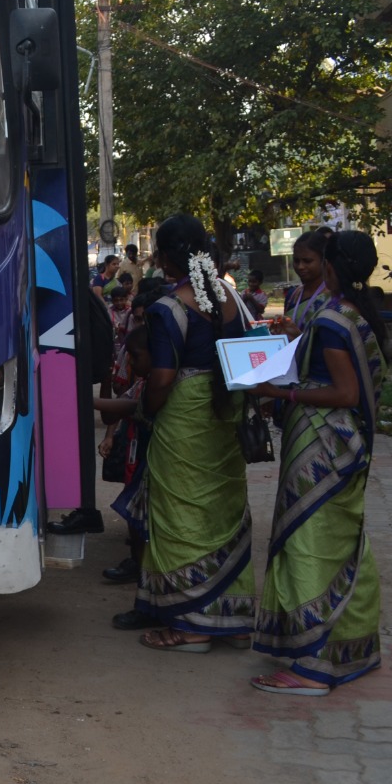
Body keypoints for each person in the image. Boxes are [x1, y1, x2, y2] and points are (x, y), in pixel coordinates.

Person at [250, 231, 387, 695]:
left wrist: (281, 393)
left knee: (310, 543)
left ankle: (312, 667)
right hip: (345, 445)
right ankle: (351, 649)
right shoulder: (356, 313)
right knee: (344, 544)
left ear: (330, 265)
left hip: (322, 446)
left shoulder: (331, 320)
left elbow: (344, 392)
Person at [119, 213, 256, 649]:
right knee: (222, 512)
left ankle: (190, 626)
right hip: (225, 414)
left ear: (164, 257)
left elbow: (162, 378)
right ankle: (231, 617)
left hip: (184, 421)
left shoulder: (168, 308)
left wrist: (146, 410)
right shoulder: (230, 298)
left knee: (181, 516)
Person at [97, 324, 153, 585]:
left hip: (152, 461)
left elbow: (129, 407)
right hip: (136, 455)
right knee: (134, 510)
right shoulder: (141, 384)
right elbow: (112, 413)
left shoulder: (159, 387)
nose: (130, 362)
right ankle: (138, 564)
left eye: (136, 356)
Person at [275, 227, 331, 338]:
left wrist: (299, 338)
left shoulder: (332, 297)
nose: (300, 266)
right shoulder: (292, 296)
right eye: (296, 261)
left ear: (323, 261)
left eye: (307, 261)